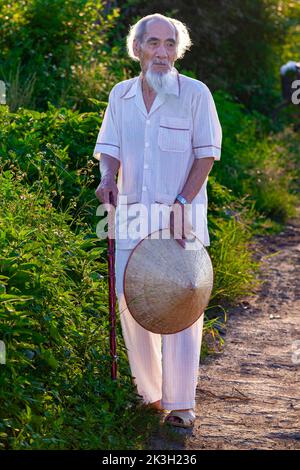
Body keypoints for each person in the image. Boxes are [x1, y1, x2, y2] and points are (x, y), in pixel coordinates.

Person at [93, 13, 222, 428]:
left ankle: (181, 404)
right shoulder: (121, 95)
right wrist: (108, 178)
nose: (162, 52)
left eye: (170, 44)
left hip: (179, 219)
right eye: (154, 43)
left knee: (182, 302)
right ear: (137, 49)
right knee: (133, 303)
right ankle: (147, 395)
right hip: (131, 216)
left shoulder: (196, 94)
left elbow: (206, 153)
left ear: (178, 51)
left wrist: (184, 199)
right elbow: (108, 145)